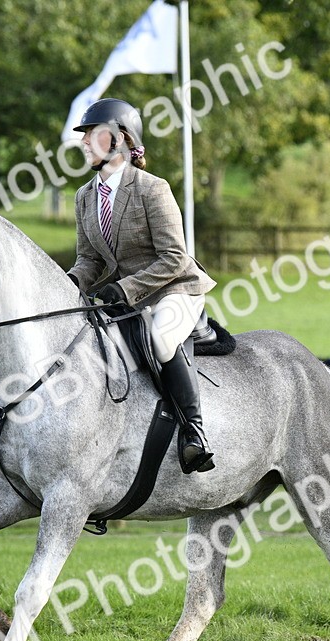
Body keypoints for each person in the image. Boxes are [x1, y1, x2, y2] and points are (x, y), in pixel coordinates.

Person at [67, 98, 218, 473]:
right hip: (130, 299)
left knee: (161, 339)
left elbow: (175, 257)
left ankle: (195, 433)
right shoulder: (84, 196)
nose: (85, 143)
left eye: (93, 135)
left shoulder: (152, 188)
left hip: (175, 290)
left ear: (119, 140)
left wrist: (125, 288)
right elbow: (90, 260)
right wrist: (67, 285)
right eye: (85, 136)